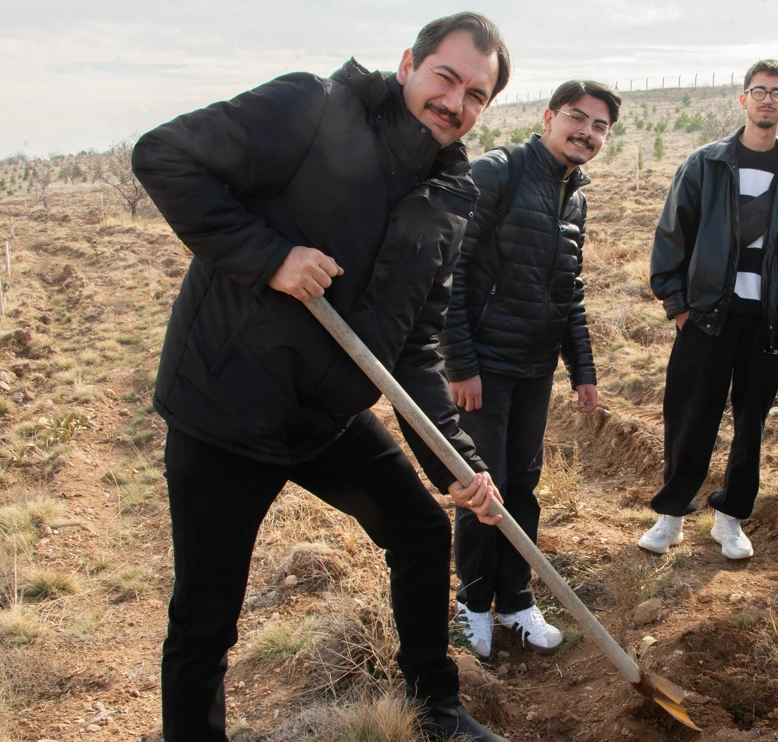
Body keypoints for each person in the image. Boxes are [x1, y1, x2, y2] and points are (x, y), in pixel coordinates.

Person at [131, 14, 512, 742]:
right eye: (447, 77)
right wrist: (269, 257)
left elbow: (414, 350)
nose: (457, 102)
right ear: (408, 64)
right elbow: (165, 156)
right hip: (226, 408)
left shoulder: (445, 204)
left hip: (324, 419)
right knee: (206, 618)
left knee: (424, 530)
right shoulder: (311, 109)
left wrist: (456, 463)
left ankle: (436, 706)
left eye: (477, 95)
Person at [443, 80, 619, 658]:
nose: (587, 132)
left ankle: (516, 600)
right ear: (549, 116)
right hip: (484, 367)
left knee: (522, 485)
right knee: (483, 488)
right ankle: (472, 603)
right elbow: (454, 274)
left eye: (599, 127)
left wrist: (582, 369)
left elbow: (570, 289)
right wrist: (461, 363)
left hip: (535, 368)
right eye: (577, 117)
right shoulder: (498, 173)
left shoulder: (577, 196)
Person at [640, 59, 778, 560]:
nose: (767, 99)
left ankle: (730, 518)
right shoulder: (706, 164)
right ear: (742, 99)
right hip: (706, 318)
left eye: (777, 92)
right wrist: (679, 308)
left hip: (765, 324)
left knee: (751, 424)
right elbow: (672, 235)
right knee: (689, 417)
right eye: (758, 90)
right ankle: (671, 514)